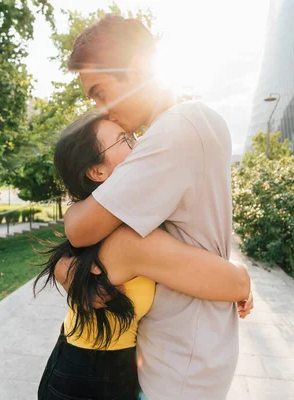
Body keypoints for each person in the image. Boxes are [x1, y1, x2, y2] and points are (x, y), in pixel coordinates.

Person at [57, 14, 254, 400]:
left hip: (177, 370)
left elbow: (81, 229)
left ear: (136, 69)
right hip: (186, 356)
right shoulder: (192, 123)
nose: (103, 108)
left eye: (100, 92)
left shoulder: (177, 129)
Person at [36, 112, 251, 400]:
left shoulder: (117, 224)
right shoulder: (130, 241)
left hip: (107, 367)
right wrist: (244, 280)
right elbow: (234, 283)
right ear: (97, 172)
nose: (139, 146)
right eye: (125, 140)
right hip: (87, 379)